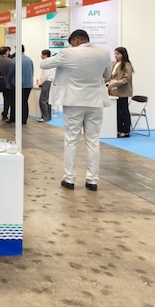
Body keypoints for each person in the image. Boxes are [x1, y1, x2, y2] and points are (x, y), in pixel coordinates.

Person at [40, 29, 110, 192]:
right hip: (95, 101)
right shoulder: (104, 53)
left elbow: (44, 64)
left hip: (73, 102)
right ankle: (92, 180)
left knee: (71, 140)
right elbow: (107, 74)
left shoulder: (67, 53)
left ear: (76, 40)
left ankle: (69, 178)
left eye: (71, 42)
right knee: (93, 141)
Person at [108, 47, 134, 137]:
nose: (116, 56)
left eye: (118, 54)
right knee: (117, 112)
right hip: (114, 92)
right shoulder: (115, 64)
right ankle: (119, 129)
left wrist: (114, 83)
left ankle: (126, 131)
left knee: (124, 111)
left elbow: (126, 79)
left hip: (123, 92)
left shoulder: (127, 65)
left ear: (123, 54)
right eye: (115, 54)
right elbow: (111, 77)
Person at [7, 46, 34, 124]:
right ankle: (24, 120)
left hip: (17, 84)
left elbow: (11, 73)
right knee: (24, 102)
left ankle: (13, 118)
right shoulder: (29, 60)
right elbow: (32, 71)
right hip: (28, 84)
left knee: (14, 102)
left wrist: (9, 82)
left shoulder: (14, 60)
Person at [38, 49, 55, 122]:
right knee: (47, 100)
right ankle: (48, 116)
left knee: (43, 100)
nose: (41, 56)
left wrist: (40, 83)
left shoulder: (46, 63)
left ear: (45, 55)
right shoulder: (52, 62)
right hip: (51, 82)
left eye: (42, 54)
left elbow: (46, 75)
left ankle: (44, 117)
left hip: (46, 82)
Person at [0, 46, 13, 122]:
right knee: (7, 100)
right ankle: (5, 114)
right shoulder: (10, 61)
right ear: (6, 52)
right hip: (7, 83)